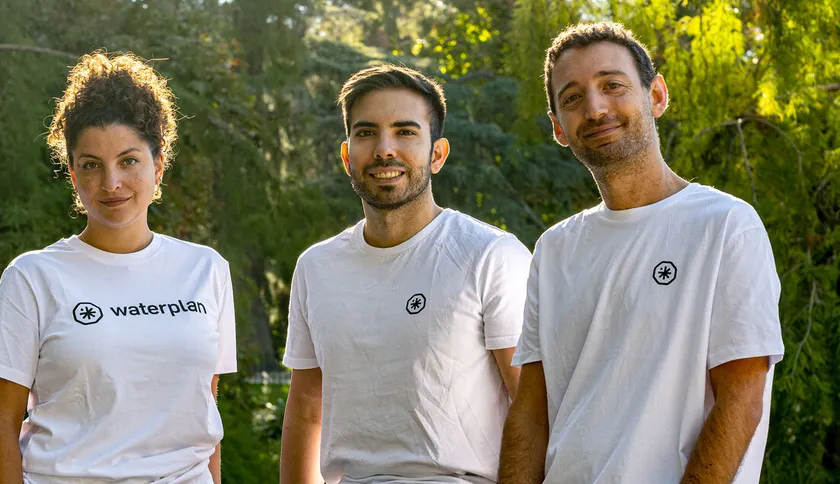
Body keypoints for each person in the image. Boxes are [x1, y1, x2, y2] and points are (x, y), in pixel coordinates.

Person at [499, 22, 784, 484]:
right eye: (572, 98)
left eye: (612, 85)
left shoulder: (725, 224)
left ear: (656, 95)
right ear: (558, 128)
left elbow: (742, 400)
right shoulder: (555, 248)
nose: (594, 108)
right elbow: (530, 412)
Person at [0, 52, 236, 484]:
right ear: (73, 173)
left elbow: (203, 417)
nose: (111, 183)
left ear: (159, 164)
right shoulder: (32, 278)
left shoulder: (206, 270)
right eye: (92, 165)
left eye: (129, 160)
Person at [279, 64, 531, 484]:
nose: (384, 149)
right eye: (365, 133)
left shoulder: (491, 255)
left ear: (437, 154)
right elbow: (306, 410)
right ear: (346, 156)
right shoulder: (316, 267)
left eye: (405, 132)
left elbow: (530, 404)